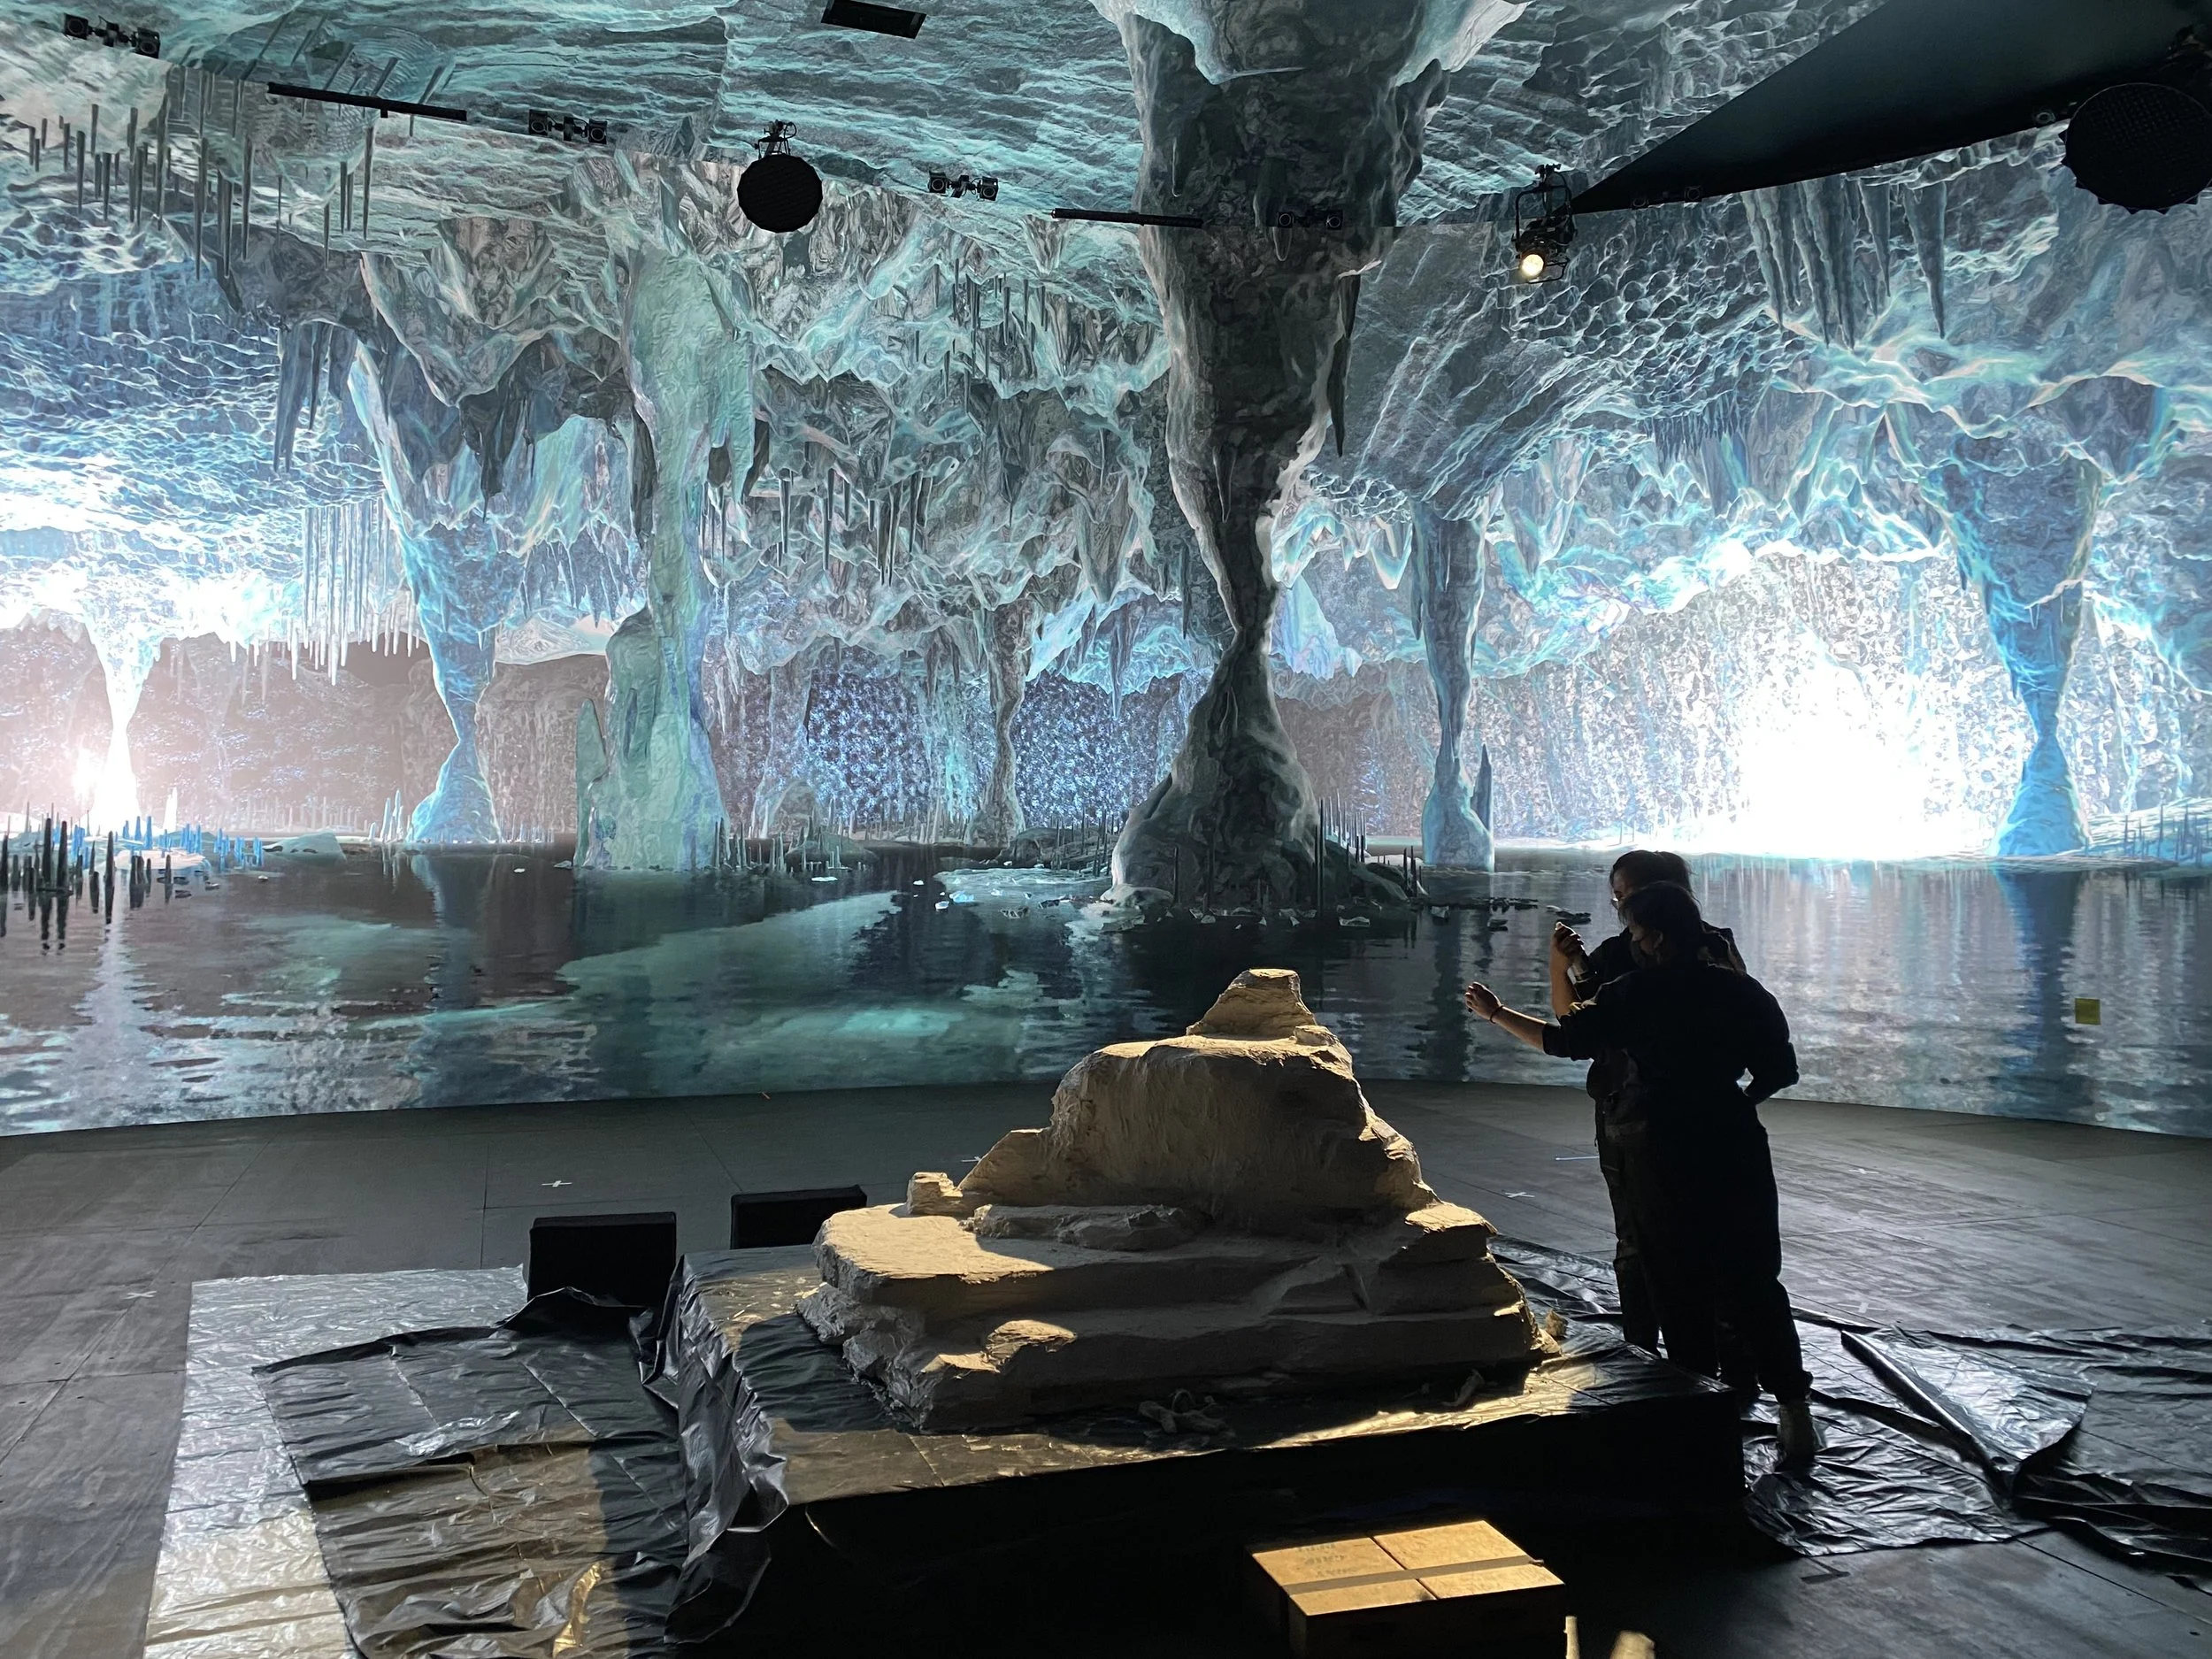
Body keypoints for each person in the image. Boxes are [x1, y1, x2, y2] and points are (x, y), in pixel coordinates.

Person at [1465, 880, 1820, 1470]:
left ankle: (1699, 1422)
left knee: (1676, 1281)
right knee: (1755, 1278)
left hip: (1659, 1147)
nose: (1631, 939)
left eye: (1632, 929)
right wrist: (1736, 1102)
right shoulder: (1741, 990)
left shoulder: (1634, 992)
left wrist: (1497, 1013)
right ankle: (1795, 1412)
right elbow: (1780, 1069)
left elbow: (1562, 1039)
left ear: (1651, 935)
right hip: (1735, 1140)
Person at [1549, 850, 1745, 1355]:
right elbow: (1758, 1036)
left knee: (1637, 1233)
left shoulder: (1626, 966)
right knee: (1714, 1230)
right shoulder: (1717, 950)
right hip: (1710, 1112)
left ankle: (1645, 1349)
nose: (1621, 908)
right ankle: (1724, 1360)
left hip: (1630, 1115)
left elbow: (1574, 1032)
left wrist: (1547, 978)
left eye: (1626, 897)